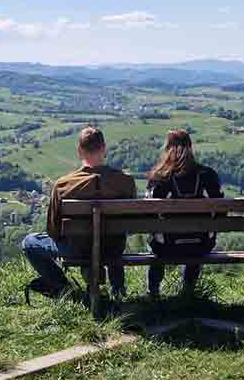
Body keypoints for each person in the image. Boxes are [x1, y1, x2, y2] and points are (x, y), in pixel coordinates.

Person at [21, 126, 137, 302]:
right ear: (104, 148)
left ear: (79, 151)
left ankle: (65, 289)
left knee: (30, 243)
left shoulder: (63, 185)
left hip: (78, 249)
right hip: (113, 247)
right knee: (113, 235)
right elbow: (131, 222)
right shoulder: (126, 182)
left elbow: (53, 230)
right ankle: (118, 291)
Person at [145, 129, 224, 298]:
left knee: (154, 242)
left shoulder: (159, 177)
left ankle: (153, 293)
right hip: (201, 245)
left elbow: (149, 215)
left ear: (167, 149)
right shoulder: (207, 175)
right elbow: (221, 210)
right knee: (195, 241)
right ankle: (188, 291)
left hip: (166, 248)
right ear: (190, 148)